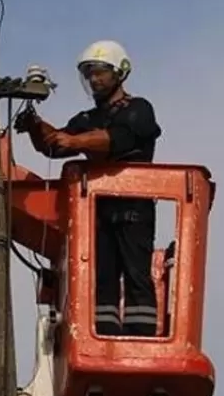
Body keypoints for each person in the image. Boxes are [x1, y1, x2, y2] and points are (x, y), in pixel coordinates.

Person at [14, 39, 162, 337]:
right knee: (103, 277)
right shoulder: (87, 119)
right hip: (99, 210)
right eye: (90, 74)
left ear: (119, 73)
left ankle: (141, 336)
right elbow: (55, 144)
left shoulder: (138, 109)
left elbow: (118, 138)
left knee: (136, 274)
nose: (94, 79)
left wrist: (75, 142)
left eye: (100, 73)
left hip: (133, 207)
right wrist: (35, 125)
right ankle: (104, 334)